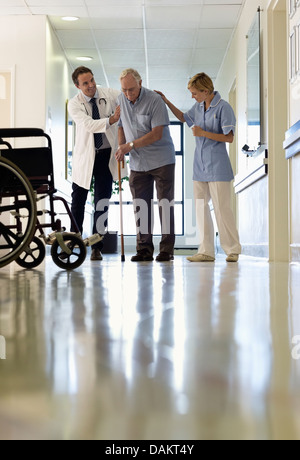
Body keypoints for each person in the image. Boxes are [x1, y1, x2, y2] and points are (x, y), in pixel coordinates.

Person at [155, 72, 241, 263]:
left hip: (218, 166)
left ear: (205, 90)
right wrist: (166, 101)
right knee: (201, 209)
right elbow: (184, 118)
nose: (192, 96)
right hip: (199, 167)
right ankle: (206, 251)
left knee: (222, 209)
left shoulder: (223, 107)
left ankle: (232, 250)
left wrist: (203, 132)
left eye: (194, 93)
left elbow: (229, 137)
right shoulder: (199, 106)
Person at [115, 68, 176, 262]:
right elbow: (121, 126)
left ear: (140, 83)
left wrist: (130, 145)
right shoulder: (121, 100)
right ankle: (144, 249)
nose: (128, 94)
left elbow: (157, 133)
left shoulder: (155, 101)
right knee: (141, 206)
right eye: (124, 90)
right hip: (137, 162)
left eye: (131, 89)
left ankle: (166, 250)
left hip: (161, 160)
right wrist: (121, 149)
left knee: (164, 205)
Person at [68, 66, 122, 261]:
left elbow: (125, 97)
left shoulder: (108, 94)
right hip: (85, 157)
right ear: (77, 86)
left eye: (92, 80)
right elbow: (89, 125)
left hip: (105, 156)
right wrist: (112, 119)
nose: (91, 85)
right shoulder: (74, 104)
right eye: (85, 83)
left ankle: (96, 246)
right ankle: (74, 241)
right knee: (78, 201)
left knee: (102, 202)